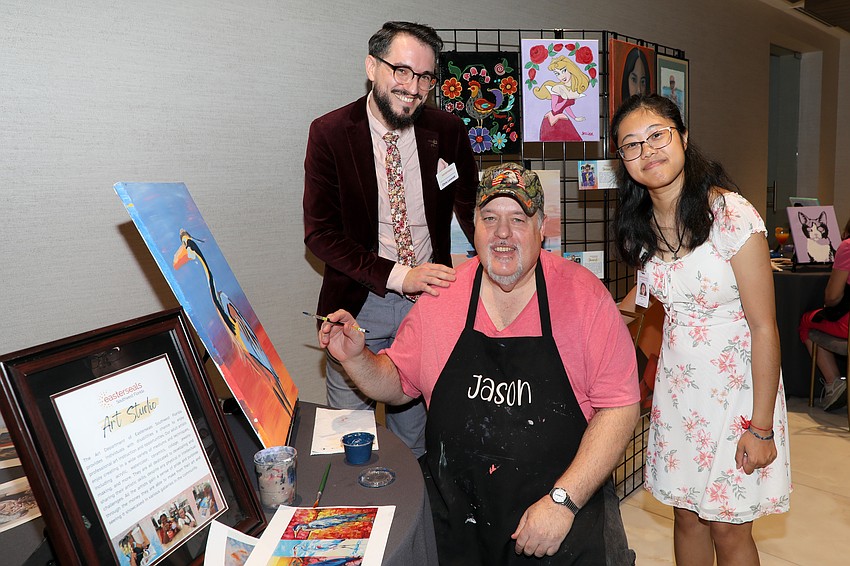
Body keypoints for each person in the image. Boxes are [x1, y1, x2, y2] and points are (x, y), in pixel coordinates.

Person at [319, 162, 640, 564]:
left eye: (518, 219)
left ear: (542, 228)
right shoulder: (444, 295)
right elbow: (397, 382)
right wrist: (356, 357)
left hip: (555, 520)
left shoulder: (585, 298)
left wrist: (563, 502)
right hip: (459, 519)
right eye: (490, 218)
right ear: (475, 229)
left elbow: (620, 406)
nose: (502, 233)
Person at [611, 94, 791, 565]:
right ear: (622, 159)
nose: (647, 151)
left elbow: (765, 326)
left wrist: (762, 427)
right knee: (687, 518)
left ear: (684, 138)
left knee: (728, 529)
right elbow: (644, 299)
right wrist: (587, 316)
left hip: (738, 395)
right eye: (631, 145)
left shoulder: (731, 214)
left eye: (657, 136)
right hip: (679, 396)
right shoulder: (638, 228)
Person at [303, 21, 478, 458]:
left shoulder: (448, 130)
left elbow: (471, 212)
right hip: (359, 301)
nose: (413, 87)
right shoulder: (329, 133)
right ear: (371, 67)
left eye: (424, 77)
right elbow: (319, 234)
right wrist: (401, 276)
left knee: (414, 438)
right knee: (350, 438)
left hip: (429, 304)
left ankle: (412, 522)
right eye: (401, 70)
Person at [799, 215, 850, 411]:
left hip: (847, 325)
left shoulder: (847, 246)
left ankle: (834, 384)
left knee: (806, 321)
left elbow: (832, 297)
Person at [532, 55, 590, 141]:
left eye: (564, 71)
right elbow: (555, 109)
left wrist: (575, 117)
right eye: (557, 74)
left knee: (573, 141)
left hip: (561, 118)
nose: (562, 76)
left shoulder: (574, 89)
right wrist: (565, 99)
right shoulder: (557, 88)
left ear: (571, 69)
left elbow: (567, 107)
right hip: (552, 119)